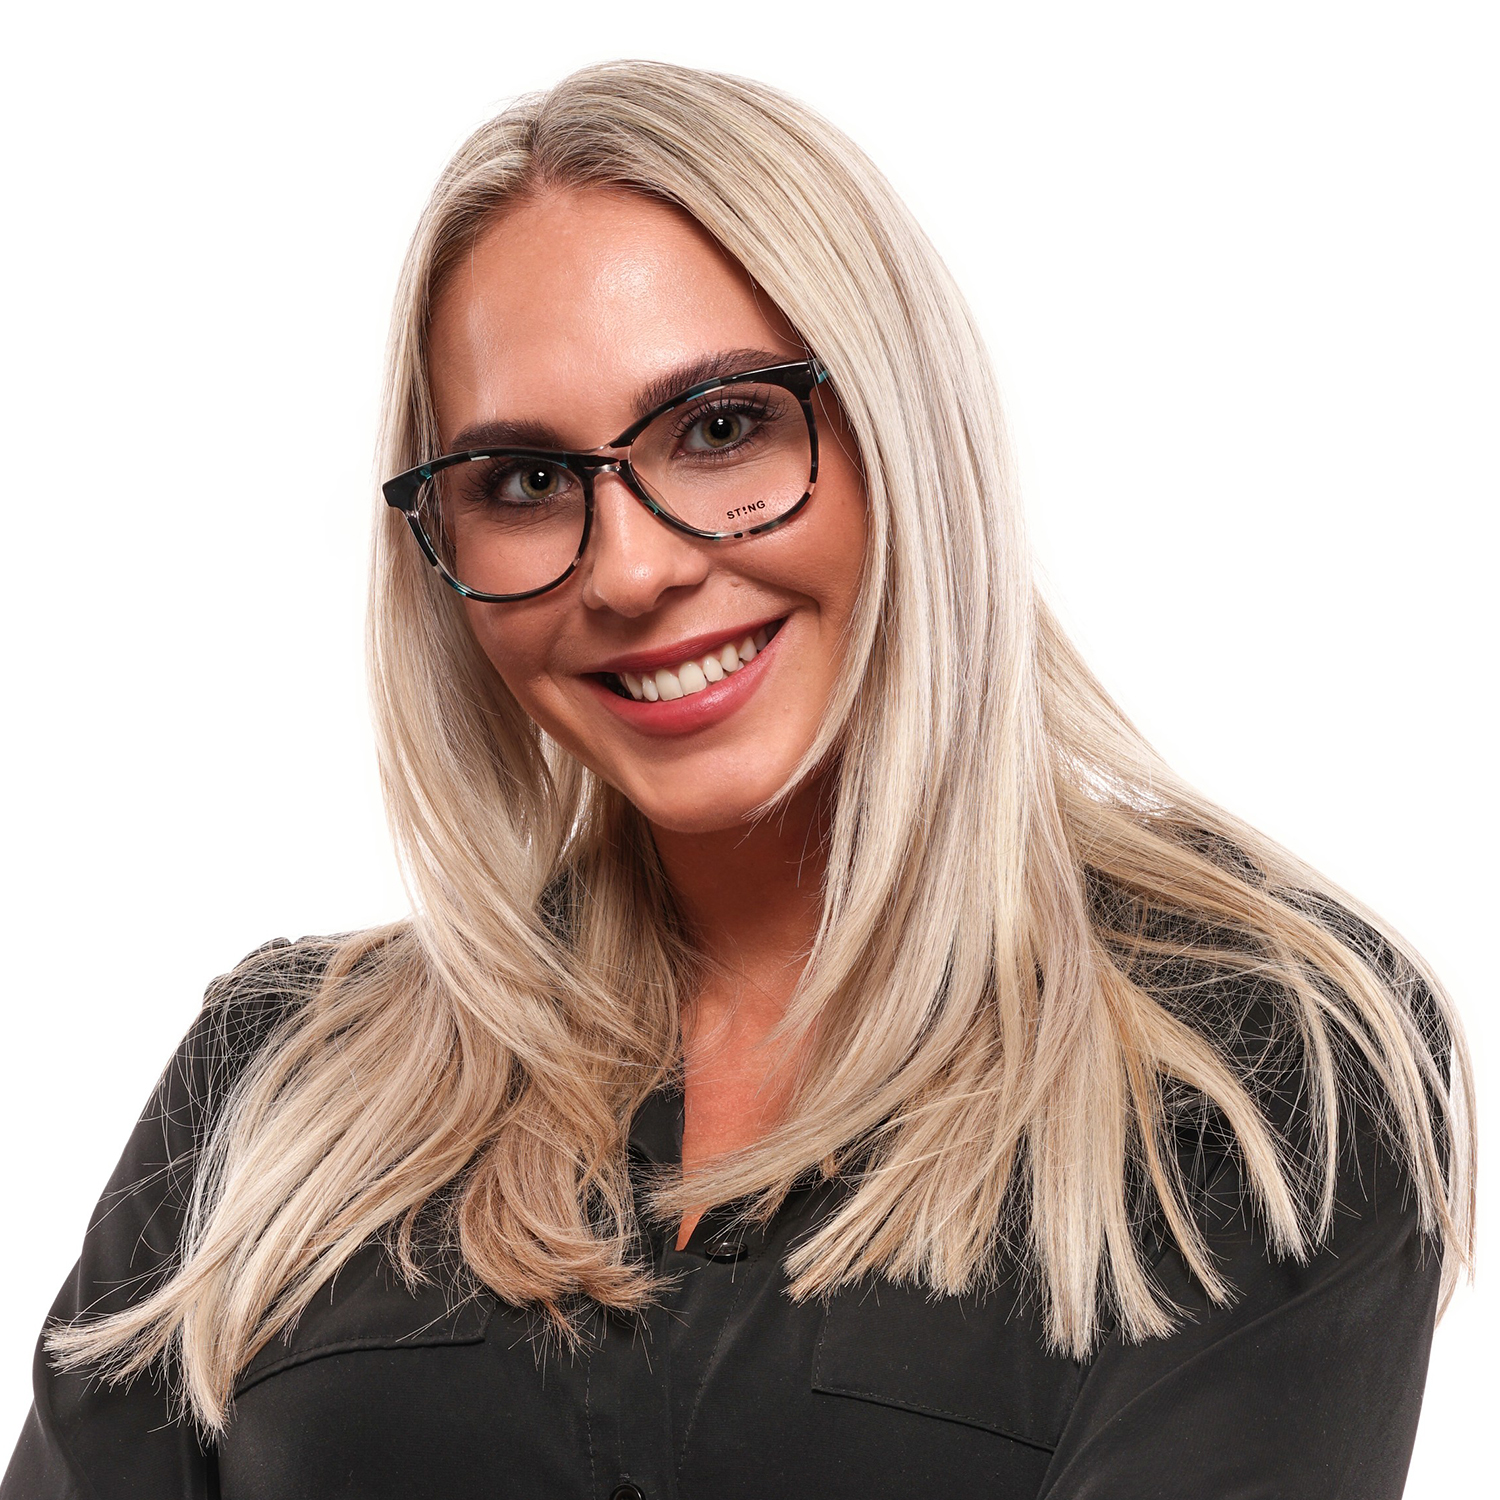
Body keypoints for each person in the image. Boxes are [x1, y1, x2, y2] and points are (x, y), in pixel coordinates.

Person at [3, 60, 1474, 1500]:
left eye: (720, 428)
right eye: (525, 482)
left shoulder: (1250, 1060)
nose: (631, 570)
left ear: (904, 433)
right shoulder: (273, 1088)